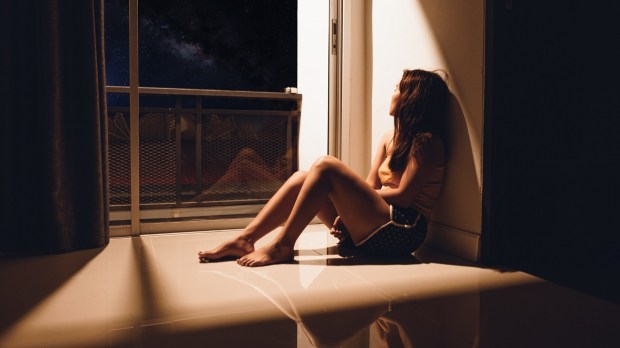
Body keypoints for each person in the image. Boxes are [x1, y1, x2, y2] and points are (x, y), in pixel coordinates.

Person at [197, 69, 449, 267]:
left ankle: (283, 245)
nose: (392, 93)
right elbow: (371, 185)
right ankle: (245, 239)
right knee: (301, 178)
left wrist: (349, 203)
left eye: (398, 89)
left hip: (403, 229)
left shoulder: (426, 142)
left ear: (413, 99)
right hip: (376, 222)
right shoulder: (389, 137)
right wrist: (346, 210)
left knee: (326, 165)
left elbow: (404, 196)